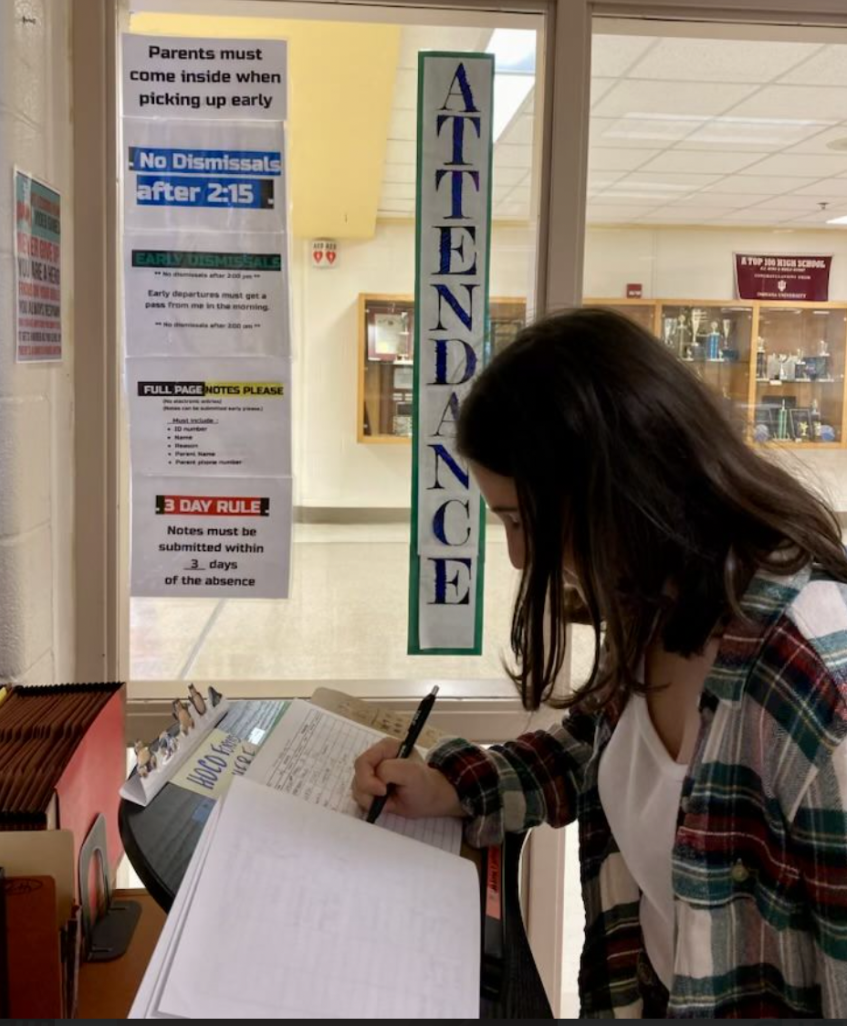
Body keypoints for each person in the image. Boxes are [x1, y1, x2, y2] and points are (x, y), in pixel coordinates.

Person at [353, 309, 847, 1019]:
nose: (520, 559)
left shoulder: (817, 687)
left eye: (522, 522)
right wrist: (451, 787)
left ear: (618, 489)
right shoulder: (651, 601)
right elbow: (598, 749)